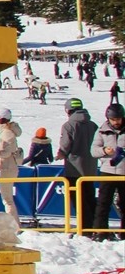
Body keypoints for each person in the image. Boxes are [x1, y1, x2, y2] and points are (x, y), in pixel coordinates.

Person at [56, 97, 97, 233]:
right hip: (91, 168)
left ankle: (84, 228)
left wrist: (61, 153)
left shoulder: (69, 125)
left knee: (78, 200)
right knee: (90, 198)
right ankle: (94, 225)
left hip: (74, 168)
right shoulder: (92, 125)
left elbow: (66, 145)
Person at [90, 103, 124, 240]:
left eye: (119, 119)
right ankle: (100, 231)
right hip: (108, 171)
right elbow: (93, 151)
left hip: (123, 172)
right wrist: (104, 151)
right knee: (103, 202)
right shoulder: (101, 131)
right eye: (113, 119)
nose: (116, 122)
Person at [0, 108, 23, 225]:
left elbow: (4, 152)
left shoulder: (7, 133)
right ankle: (14, 223)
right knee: (7, 199)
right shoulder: (7, 132)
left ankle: (14, 225)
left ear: (1, 120)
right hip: (7, 166)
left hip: (6, 168)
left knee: (7, 199)